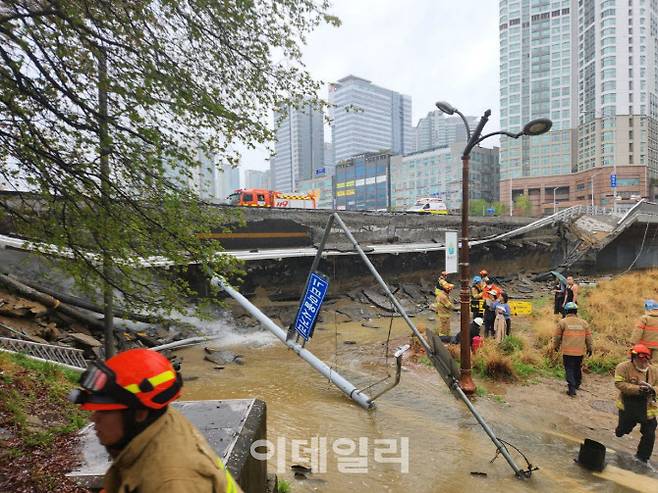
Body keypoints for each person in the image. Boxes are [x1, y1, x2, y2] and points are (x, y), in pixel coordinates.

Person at [69, 348, 243, 493]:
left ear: (140, 413)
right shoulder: (160, 420)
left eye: (105, 412)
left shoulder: (171, 483)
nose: (94, 418)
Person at [614, 344, 658, 465]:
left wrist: (652, 389)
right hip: (628, 407)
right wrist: (638, 389)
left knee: (649, 434)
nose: (644, 362)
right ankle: (621, 430)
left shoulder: (654, 370)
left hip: (648, 408)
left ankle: (642, 458)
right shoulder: (622, 367)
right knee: (623, 430)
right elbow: (619, 383)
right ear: (633, 358)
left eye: (646, 359)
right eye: (641, 359)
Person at [553, 302, 592, 397]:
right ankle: (577, 384)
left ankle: (572, 389)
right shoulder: (584, 323)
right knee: (577, 368)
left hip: (567, 351)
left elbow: (557, 337)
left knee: (569, 369)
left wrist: (556, 347)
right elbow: (589, 338)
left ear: (566, 311)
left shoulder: (562, 322)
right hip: (579, 352)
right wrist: (590, 348)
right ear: (576, 311)